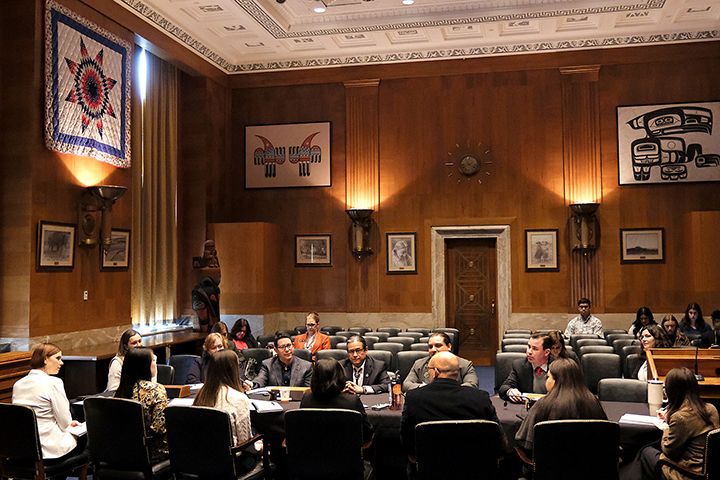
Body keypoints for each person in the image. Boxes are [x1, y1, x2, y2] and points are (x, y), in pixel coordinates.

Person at [401, 352, 507, 472]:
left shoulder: (414, 398)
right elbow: (499, 439)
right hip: (474, 469)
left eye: (428, 369)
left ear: (435, 372)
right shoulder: (480, 398)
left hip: (430, 469)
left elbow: (406, 440)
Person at [632, 367, 719, 480]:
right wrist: (670, 417)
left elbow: (669, 451)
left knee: (645, 452)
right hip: (709, 470)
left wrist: (666, 428)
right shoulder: (711, 408)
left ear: (672, 391)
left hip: (687, 473)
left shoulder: (680, 418)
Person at [514, 358, 606, 457]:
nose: (546, 380)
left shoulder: (543, 405)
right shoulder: (593, 402)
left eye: (548, 377)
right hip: (591, 464)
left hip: (550, 465)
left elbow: (525, 444)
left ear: (556, 381)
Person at [12, 343, 84, 460]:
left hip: (24, 449)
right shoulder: (54, 383)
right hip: (51, 450)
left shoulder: (18, 384)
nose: (61, 363)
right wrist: (69, 423)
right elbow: (65, 422)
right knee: (88, 439)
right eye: (58, 358)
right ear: (45, 359)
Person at [193, 350, 257, 474]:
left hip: (201, 461)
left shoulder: (201, 394)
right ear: (233, 369)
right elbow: (244, 441)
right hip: (230, 464)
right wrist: (258, 446)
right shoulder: (239, 398)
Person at [300, 358, 373, 445]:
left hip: (312, 450)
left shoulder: (306, 399)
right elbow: (367, 434)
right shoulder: (352, 401)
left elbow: (301, 431)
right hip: (346, 451)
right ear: (340, 377)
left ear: (314, 378)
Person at [115, 348, 169, 461]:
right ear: (144, 365)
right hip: (151, 452)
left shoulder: (121, 390)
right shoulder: (156, 389)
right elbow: (159, 428)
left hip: (122, 452)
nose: (155, 363)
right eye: (153, 360)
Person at [402, 332, 478, 392]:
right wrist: (425, 388)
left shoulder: (465, 364)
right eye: (430, 347)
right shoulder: (419, 364)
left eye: (438, 345)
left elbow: (472, 385)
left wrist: (449, 390)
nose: (433, 349)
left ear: (449, 346)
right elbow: (406, 385)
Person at [499, 332, 553, 403]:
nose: (529, 352)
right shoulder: (519, 365)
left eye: (535, 349)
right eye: (529, 347)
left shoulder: (559, 367)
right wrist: (510, 391)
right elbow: (504, 387)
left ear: (546, 352)